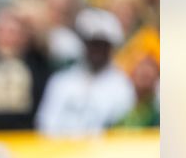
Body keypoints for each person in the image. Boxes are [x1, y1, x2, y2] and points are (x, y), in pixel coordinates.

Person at [35, 8, 135, 137]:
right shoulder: (61, 81)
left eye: (102, 45)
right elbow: (45, 125)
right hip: (60, 153)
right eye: (92, 44)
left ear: (110, 47)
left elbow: (122, 130)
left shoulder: (122, 86)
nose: (97, 51)